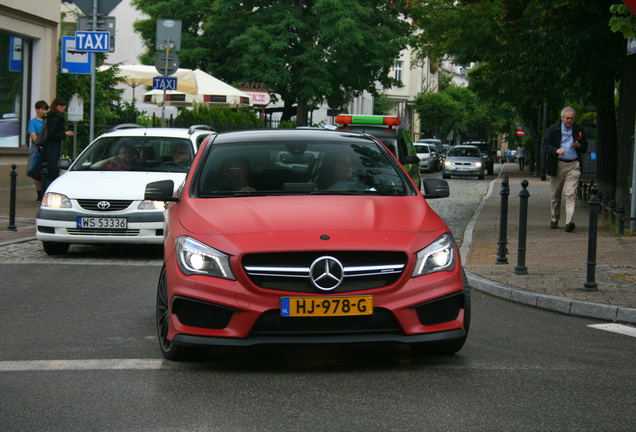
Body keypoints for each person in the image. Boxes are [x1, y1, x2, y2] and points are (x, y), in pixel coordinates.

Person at [542, 106, 588, 232]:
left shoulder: (578, 130)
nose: (569, 121)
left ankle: (569, 222)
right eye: (567, 118)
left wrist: (579, 145)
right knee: (556, 194)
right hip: (558, 164)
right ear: (562, 118)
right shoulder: (553, 130)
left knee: (570, 193)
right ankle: (554, 219)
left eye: (572, 118)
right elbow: (545, 145)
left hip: (573, 165)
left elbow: (585, 147)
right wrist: (556, 150)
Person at [31, 97, 74, 189]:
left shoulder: (51, 117)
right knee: (51, 171)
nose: (63, 108)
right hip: (52, 149)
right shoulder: (54, 118)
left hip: (51, 148)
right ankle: (48, 191)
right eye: (62, 106)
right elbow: (51, 135)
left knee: (49, 171)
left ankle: (44, 191)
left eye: (64, 106)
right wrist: (64, 134)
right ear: (57, 106)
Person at [26, 100, 49, 201]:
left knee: (46, 169)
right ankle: (39, 193)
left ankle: (45, 191)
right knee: (35, 170)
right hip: (37, 148)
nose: (44, 111)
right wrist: (39, 144)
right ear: (37, 109)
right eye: (42, 109)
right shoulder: (33, 122)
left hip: (46, 147)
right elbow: (32, 134)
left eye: (45, 109)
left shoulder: (47, 121)